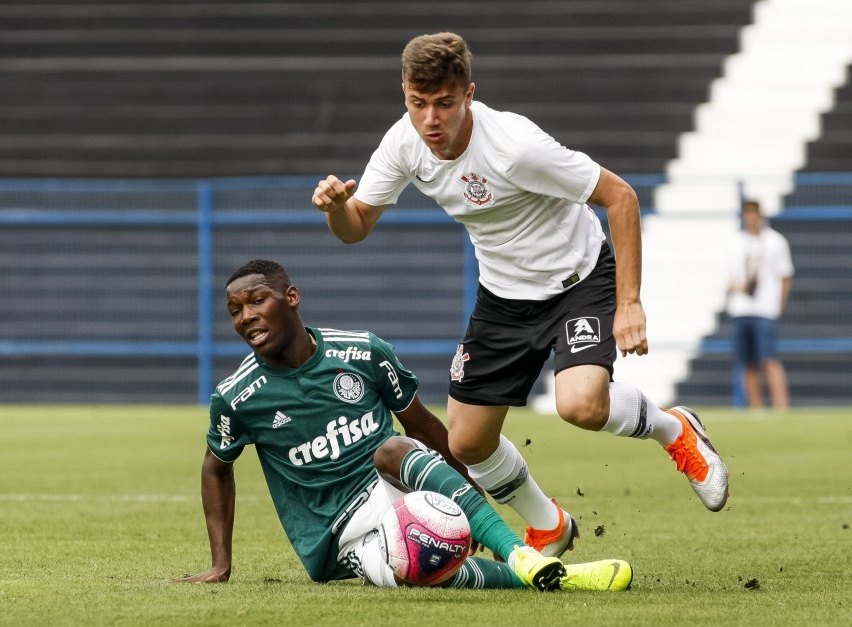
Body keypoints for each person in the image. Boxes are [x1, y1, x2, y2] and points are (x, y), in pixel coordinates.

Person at [311, 32, 731, 553]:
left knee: (579, 405)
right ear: (404, 95)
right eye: (418, 104)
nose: (431, 121)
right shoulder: (403, 143)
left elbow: (620, 197)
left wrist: (629, 302)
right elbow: (356, 226)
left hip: (576, 281)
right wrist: (335, 208)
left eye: (444, 104)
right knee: (466, 442)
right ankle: (549, 523)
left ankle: (675, 430)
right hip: (504, 297)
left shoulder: (515, 145)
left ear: (468, 95)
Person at [171, 259, 632, 591]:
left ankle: (518, 552)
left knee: (392, 449)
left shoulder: (363, 353)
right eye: (235, 311)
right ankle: (546, 575)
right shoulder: (237, 397)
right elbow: (216, 468)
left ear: (291, 298)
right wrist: (220, 563)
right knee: (412, 565)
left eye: (257, 301)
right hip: (338, 535)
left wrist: (477, 506)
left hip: (396, 487)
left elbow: (425, 427)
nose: (246, 317)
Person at [727, 200, 794, 409]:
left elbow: (785, 275)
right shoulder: (736, 241)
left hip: (765, 310)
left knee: (769, 360)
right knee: (747, 363)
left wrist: (779, 304)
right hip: (741, 308)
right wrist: (739, 287)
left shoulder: (775, 241)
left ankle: (781, 406)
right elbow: (730, 276)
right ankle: (755, 409)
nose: (750, 219)